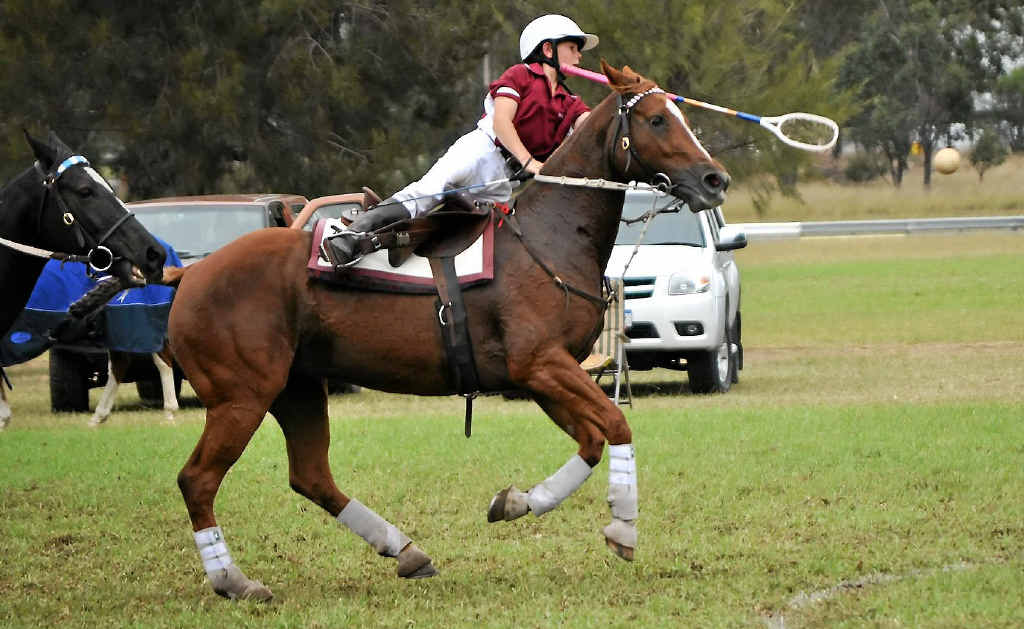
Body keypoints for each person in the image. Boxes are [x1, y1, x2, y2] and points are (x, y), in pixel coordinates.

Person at [324, 14, 599, 269]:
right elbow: (502, 122)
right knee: (427, 193)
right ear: (548, 50)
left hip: (505, 180)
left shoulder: (569, 100)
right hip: (482, 151)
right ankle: (352, 234)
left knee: (496, 238)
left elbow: (592, 127)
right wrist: (530, 162)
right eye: (573, 48)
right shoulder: (520, 75)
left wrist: (630, 100)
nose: (578, 57)